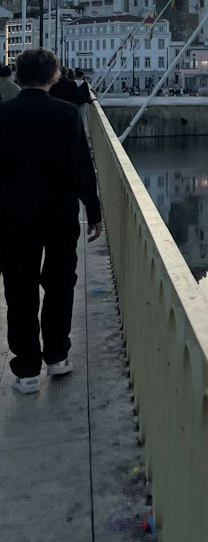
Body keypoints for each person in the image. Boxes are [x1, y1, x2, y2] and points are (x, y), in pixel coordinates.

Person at [0, 48, 103, 395]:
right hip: (59, 214)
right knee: (60, 284)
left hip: (12, 217)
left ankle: (27, 369)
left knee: (19, 289)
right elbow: (81, 167)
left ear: (17, 76)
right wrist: (94, 211)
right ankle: (57, 355)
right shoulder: (67, 113)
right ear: (53, 76)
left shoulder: (3, 114)